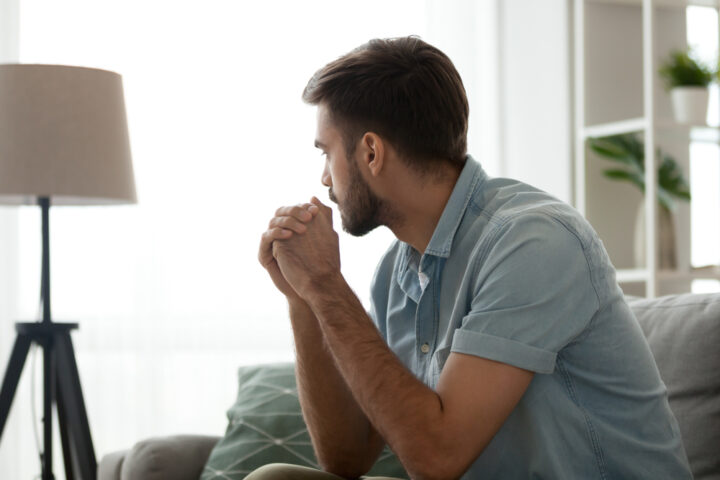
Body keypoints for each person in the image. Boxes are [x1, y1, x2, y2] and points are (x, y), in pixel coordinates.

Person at [252, 36, 692, 479]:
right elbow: (345, 459)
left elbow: (437, 458)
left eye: (326, 152)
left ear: (371, 152)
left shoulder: (533, 243)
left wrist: (327, 285)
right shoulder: (395, 272)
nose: (324, 177)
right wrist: (303, 298)